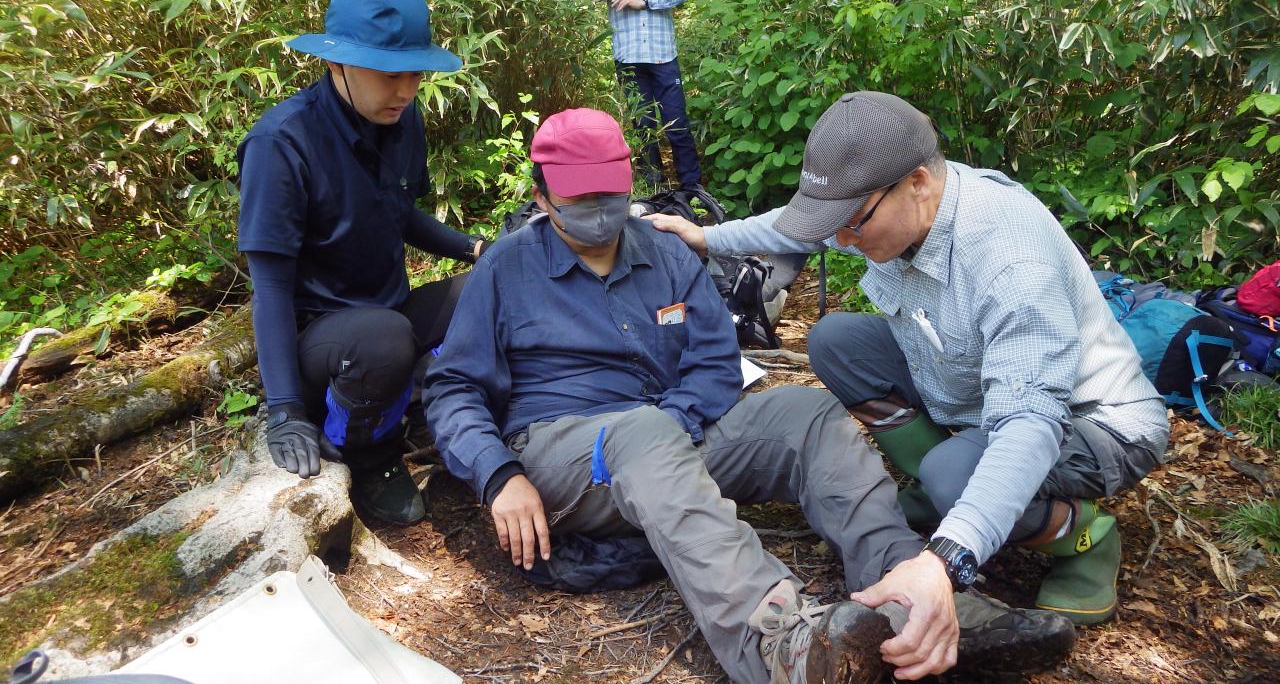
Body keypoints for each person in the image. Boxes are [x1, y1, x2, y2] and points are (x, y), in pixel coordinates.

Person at [425, 107, 1074, 684]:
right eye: (579, 199)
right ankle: (783, 643)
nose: (599, 211)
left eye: (612, 195)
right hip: (567, 455)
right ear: (542, 197)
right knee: (643, 432)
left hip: (671, 439)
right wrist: (497, 474)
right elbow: (452, 387)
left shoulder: (663, 253)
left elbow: (712, 362)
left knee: (807, 413)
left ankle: (911, 596)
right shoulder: (507, 268)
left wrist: (677, 419)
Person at [647, 91, 1172, 626]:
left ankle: (1083, 537)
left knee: (952, 474)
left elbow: (1029, 423)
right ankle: (950, 488)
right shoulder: (892, 205)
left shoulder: (1009, 258)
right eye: (835, 223)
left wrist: (947, 559)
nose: (843, 238)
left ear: (918, 182)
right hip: (972, 385)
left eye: (852, 223)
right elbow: (798, 222)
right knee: (836, 340)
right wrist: (705, 237)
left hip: (1093, 422)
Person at [236, 0, 488, 526]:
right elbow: (271, 288)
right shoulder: (281, 144)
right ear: (336, 65)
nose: (406, 90)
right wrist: (283, 411)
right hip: (322, 340)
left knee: (491, 286)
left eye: (416, 74)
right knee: (382, 339)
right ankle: (370, 457)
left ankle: (447, 403)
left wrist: (479, 251)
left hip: (388, 313)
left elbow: (400, 214)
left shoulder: (399, 120)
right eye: (390, 74)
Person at [591, 0, 708, 196]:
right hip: (628, 56)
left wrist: (644, 0)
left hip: (663, 55)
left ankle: (692, 187)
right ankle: (653, 186)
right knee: (642, 125)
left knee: (677, 122)